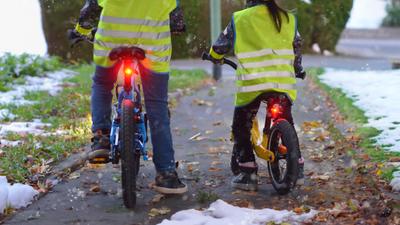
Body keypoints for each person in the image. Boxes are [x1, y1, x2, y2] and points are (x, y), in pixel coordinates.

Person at [69, 0, 187, 194]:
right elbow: (177, 20)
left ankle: (101, 137)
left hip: (112, 40)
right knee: (157, 104)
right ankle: (166, 174)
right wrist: (176, 27)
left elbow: (90, 10)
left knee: (102, 83)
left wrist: (80, 31)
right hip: (152, 45)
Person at [208, 0, 305, 191]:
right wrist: (298, 68)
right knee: (286, 119)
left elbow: (220, 46)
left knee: (240, 126)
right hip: (281, 82)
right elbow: (296, 49)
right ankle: (298, 168)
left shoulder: (240, 18)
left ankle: (248, 172)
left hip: (253, 83)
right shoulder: (288, 18)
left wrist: (214, 56)